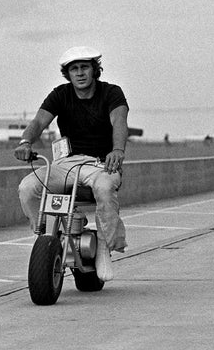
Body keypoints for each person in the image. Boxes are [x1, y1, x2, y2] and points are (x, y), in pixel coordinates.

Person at [14, 46, 129, 282]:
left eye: (84, 67)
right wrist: (25, 141)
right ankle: (47, 238)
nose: (79, 73)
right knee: (28, 188)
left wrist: (117, 151)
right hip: (67, 163)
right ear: (67, 74)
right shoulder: (60, 94)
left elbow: (119, 121)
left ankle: (105, 248)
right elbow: (38, 121)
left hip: (101, 164)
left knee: (105, 189)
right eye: (73, 69)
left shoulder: (112, 93)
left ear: (94, 70)